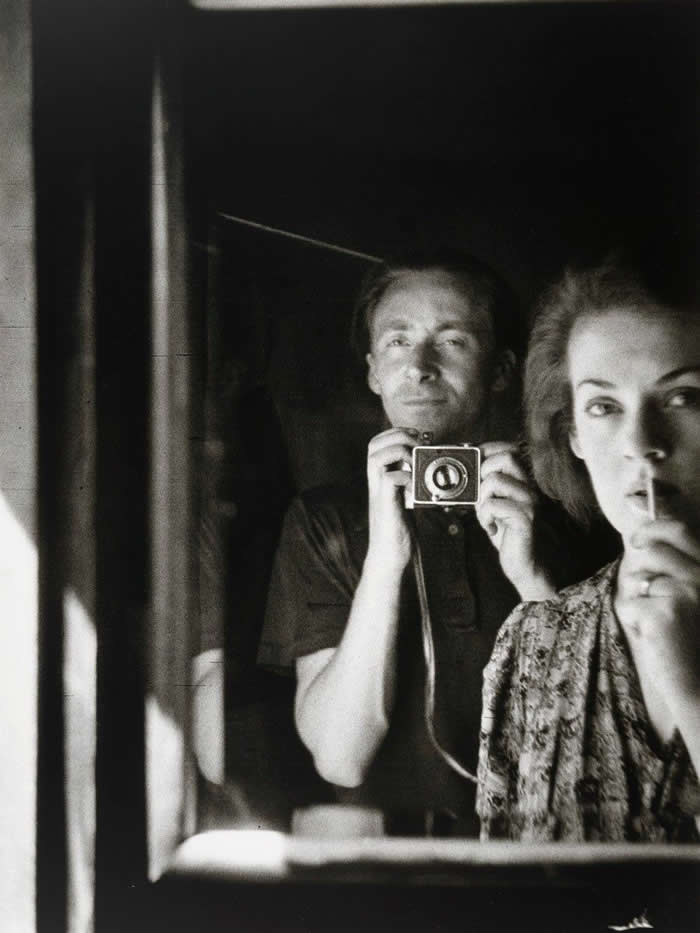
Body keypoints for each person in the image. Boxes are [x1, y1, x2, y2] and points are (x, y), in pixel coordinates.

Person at [258, 249, 599, 832]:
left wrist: (532, 578)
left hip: (541, 850)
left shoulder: (570, 508)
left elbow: (606, 743)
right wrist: (385, 563)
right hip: (386, 868)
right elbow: (341, 758)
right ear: (372, 370)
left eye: (453, 341)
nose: (419, 366)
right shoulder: (325, 520)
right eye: (397, 341)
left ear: (500, 369)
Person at [477, 263, 700, 842]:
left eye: (683, 396)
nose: (642, 445)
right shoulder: (532, 641)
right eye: (604, 407)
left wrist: (690, 688)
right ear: (572, 432)